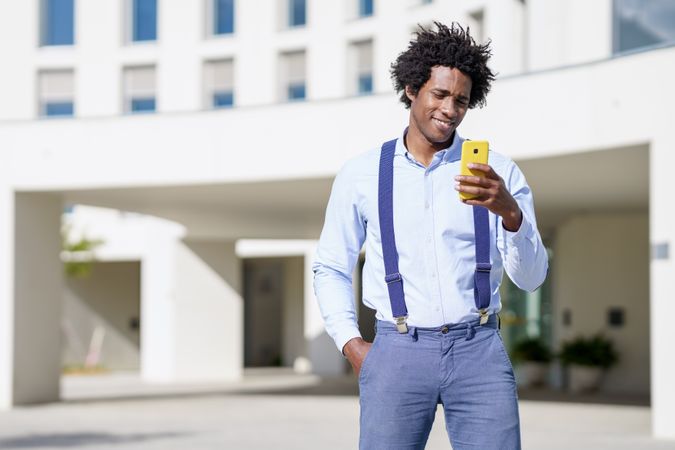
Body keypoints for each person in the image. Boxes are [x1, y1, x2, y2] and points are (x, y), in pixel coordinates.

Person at [313, 22, 548, 450]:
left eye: (461, 100)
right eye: (439, 95)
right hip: (397, 351)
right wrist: (351, 345)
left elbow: (531, 279)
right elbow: (330, 265)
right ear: (411, 89)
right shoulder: (361, 173)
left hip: (478, 349)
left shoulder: (500, 172)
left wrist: (510, 212)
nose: (450, 109)